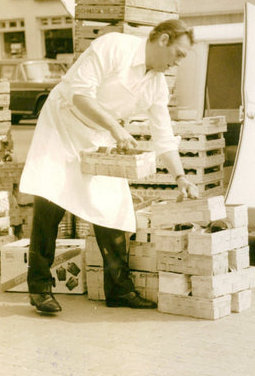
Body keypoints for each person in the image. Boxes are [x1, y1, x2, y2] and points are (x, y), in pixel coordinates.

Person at [18, 19, 199, 314]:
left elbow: (163, 136)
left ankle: (119, 289)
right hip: (63, 124)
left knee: (114, 206)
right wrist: (116, 129)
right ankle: (39, 288)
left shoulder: (156, 85)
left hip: (99, 136)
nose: (179, 61)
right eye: (179, 53)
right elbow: (80, 94)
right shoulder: (114, 46)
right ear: (163, 40)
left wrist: (180, 177)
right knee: (51, 199)